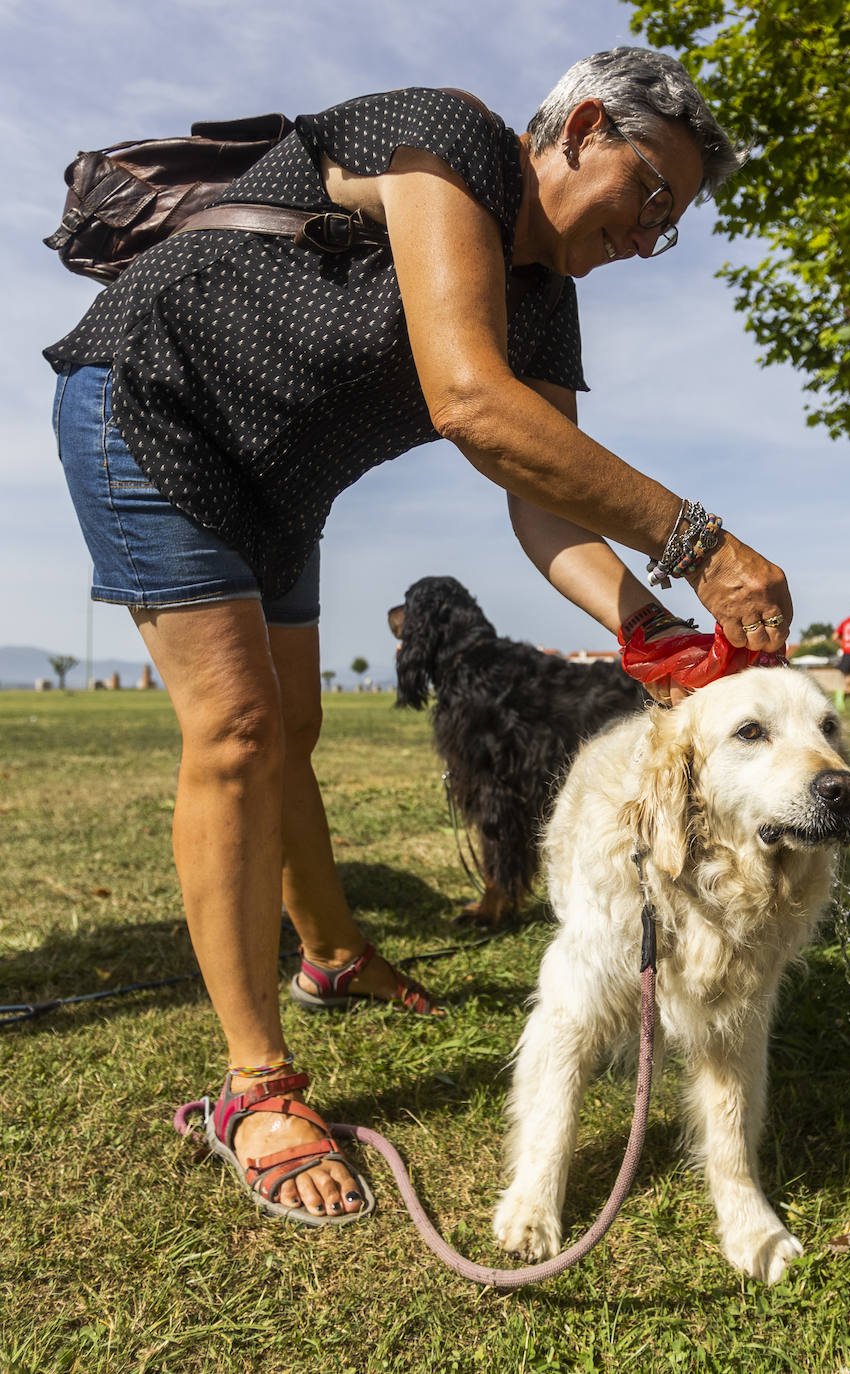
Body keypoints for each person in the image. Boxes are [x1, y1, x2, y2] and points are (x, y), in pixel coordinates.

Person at [45, 48, 793, 1226]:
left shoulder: (548, 303)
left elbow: (541, 494)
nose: (651, 239)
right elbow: (469, 404)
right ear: (585, 125)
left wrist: (647, 627)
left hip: (279, 480)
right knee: (238, 731)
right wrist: (701, 544)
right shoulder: (447, 140)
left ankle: (331, 952)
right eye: (652, 195)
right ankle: (256, 1088)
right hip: (152, 408)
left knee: (293, 725)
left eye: (673, 226)